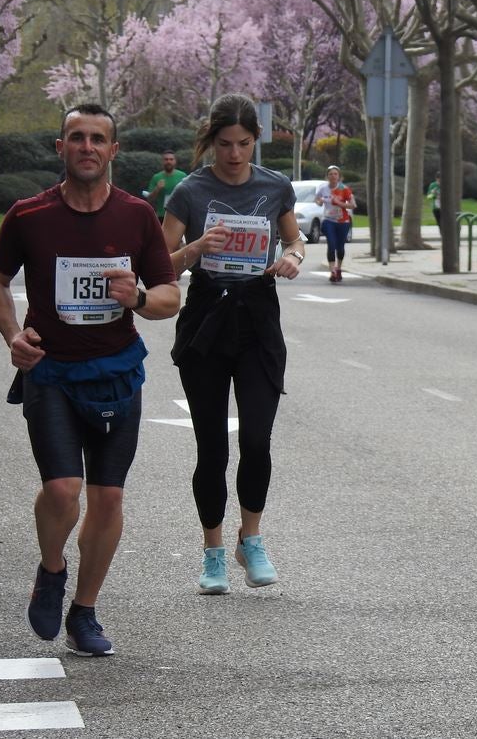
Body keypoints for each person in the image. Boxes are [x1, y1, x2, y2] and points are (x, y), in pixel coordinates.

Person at [0, 103, 180, 656]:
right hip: (51, 374)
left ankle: (84, 613)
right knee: (62, 490)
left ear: (113, 151)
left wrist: (137, 297)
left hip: (117, 374)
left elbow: (169, 296)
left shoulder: (137, 215)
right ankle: (51, 569)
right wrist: (11, 336)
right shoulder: (28, 215)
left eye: (98, 138)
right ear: (61, 147)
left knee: (108, 499)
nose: (87, 146)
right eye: (76, 137)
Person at [161, 93, 305, 596]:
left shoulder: (275, 187)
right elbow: (161, 264)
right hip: (206, 318)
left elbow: (295, 240)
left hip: (258, 317)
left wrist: (293, 256)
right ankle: (214, 551)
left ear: (255, 141)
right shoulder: (190, 191)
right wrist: (198, 247)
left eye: (244, 144)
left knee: (258, 439)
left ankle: (253, 538)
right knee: (213, 447)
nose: (235, 154)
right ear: (211, 141)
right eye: (225, 144)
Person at [315, 165, 356, 283]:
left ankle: (339, 268)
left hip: (343, 221)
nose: (333, 176)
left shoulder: (344, 189)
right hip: (328, 220)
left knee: (340, 247)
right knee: (331, 244)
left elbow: (353, 205)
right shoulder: (323, 188)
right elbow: (317, 200)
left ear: (339, 176)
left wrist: (340, 203)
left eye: (335, 174)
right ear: (327, 176)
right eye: (330, 174)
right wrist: (320, 201)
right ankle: (332, 271)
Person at [144, 150, 187, 223]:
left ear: (175, 161)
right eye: (166, 159)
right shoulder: (156, 177)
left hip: (179, 215)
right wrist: (157, 189)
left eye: (171, 159)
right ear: (162, 162)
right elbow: (150, 199)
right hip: (162, 215)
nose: (168, 161)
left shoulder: (182, 176)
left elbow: (188, 196)